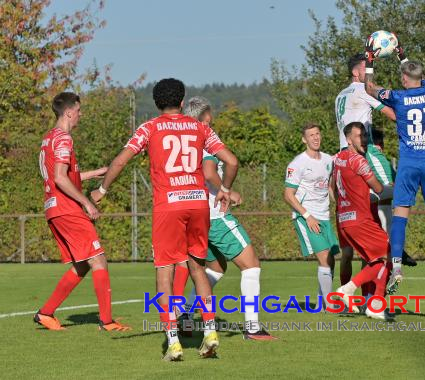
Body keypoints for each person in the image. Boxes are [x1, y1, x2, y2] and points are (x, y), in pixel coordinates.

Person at [91, 79, 238, 361]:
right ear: (182, 102)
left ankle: (173, 343)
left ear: (157, 104)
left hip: (168, 205)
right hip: (198, 203)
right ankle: (209, 332)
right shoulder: (200, 127)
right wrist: (225, 190)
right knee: (197, 267)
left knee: (164, 272)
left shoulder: (150, 127)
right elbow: (231, 161)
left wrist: (102, 189)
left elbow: (121, 160)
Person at [366, 51, 425, 296]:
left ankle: (397, 269)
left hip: (409, 162)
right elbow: (416, 73)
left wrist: (370, 61)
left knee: (400, 216)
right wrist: (401, 54)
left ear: (403, 79)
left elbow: (369, 88)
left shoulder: (397, 97)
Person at [180, 96, 276, 340]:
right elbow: (211, 171)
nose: (211, 128)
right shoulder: (205, 143)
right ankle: (252, 328)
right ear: (199, 122)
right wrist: (227, 189)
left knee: (215, 267)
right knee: (251, 264)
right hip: (215, 215)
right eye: (208, 123)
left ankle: (186, 316)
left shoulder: (185, 144)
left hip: (194, 215)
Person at [35, 92, 130, 332]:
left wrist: (93, 172)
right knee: (98, 259)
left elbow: (61, 175)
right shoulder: (65, 139)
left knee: (83, 264)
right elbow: (59, 178)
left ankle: (46, 313)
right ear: (68, 112)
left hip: (53, 208)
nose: (80, 114)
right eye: (78, 110)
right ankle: (107, 321)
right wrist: (87, 203)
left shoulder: (49, 139)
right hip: (67, 208)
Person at [334, 53, 415, 300]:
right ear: (357, 73)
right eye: (366, 71)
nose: (371, 77)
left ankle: (356, 298)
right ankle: (394, 247)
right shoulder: (362, 91)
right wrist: (414, 114)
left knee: (352, 248)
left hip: (340, 160)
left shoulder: (340, 95)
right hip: (361, 156)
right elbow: (392, 113)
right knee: (390, 195)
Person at [333, 122, 391, 320]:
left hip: (344, 220)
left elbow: (333, 187)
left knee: (377, 260)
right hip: (360, 220)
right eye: (360, 136)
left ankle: (374, 304)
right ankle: (351, 291)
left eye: (365, 136)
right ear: (349, 139)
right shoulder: (359, 161)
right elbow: (379, 188)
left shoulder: (338, 158)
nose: (364, 139)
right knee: (388, 254)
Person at [284, 123, 339, 309]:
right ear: (304, 139)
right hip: (306, 216)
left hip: (324, 216)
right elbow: (288, 195)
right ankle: (331, 305)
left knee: (330, 260)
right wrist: (307, 216)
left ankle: (321, 304)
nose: (315, 138)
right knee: (324, 258)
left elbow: (330, 186)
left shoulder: (328, 160)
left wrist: (339, 203)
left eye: (317, 134)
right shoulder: (297, 164)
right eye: (311, 135)